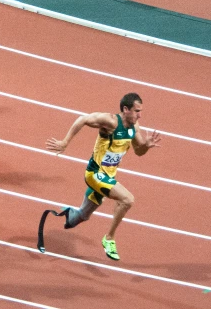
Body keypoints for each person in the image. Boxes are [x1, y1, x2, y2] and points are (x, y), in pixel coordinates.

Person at [45, 92, 161, 260]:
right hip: (95, 174)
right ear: (126, 109)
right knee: (127, 199)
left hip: (109, 176)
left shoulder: (134, 128)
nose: (140, 115)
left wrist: (146, 146)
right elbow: (83, 119)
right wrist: (65, 142)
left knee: (82, 216)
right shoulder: (111, 122)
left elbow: (139, 151)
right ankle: (109, 238)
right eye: (137, 111)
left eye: (141, 111)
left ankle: (70, 216)